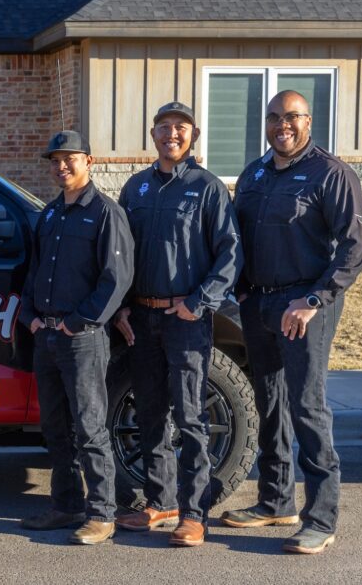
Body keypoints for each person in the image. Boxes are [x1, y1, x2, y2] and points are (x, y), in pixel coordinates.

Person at [222, 90, 362, 554]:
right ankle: (274, 500)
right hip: (260, 305)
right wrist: (243, 290)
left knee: (307, 407)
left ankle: (320, 519)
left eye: (291, 117)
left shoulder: (331, 174)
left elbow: (355, 249)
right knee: (270, 403)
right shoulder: (254, 174)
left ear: (308, 121)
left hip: (305, 306)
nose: (281, 125)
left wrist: (312, 299)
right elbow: (238, 238)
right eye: (273, 117)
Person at [113, 102, 242, 547]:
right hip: (142, 317)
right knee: (150, 412)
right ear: (153, 135)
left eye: (181, 128)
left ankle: (193, 513)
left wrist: (199, 302)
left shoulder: (207, 189)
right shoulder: (135, 189)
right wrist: (123, 307)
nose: (172, 134)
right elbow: (121, 254)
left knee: (190, 417)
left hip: (186, 320)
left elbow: (230, 255)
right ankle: (160, 501)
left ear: (194, 136)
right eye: (165, 127)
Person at [18, 130, 134, 545]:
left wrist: (79, 322)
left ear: (89, 160)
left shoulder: (105, 213)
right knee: (55, 427)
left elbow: (116, 279)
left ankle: (102, 514)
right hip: (45, 337)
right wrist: (28, 316)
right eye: (55, 160)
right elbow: (34, 273)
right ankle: (66, 506)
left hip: (81, 338)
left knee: (89, 427)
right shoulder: (50, 214)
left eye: (69, 158)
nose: (61, 166)